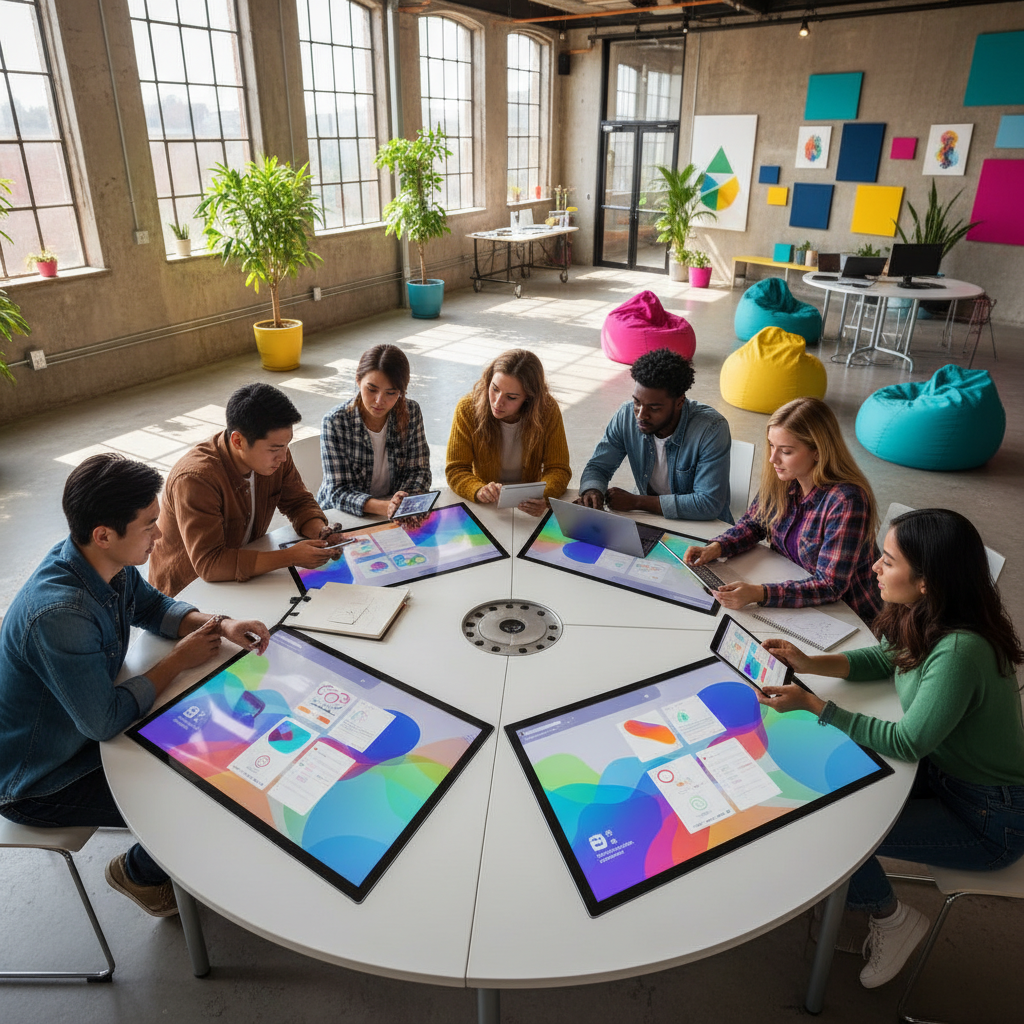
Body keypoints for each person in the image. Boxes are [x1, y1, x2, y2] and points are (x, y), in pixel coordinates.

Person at [757, 508, 1024, 989]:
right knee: (830, 788)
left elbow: (908, 740)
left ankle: (892, 919)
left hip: (990, 818)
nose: (874, 567)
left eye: (887, 559)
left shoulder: (960, 650)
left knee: (840, 829)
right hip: (943, 774)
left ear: (926, 581)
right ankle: (849, 894)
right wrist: (810, 661)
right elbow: (883, 658)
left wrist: (817, 706)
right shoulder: (928, 614)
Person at [0, 454, 271, 917]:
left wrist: (219, 624)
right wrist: (176, 663)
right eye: (149, 525)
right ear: (104, 534)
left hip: (77, 735)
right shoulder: (59, 614)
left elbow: (152, 607)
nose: (161, 536)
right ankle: (138, 873)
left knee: (221, 742)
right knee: (197, 791)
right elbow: (104, 721)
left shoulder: (102, 559)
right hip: (41, 780)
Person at [684, 396, 881, 623]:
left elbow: (830, 585)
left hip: (845, 616)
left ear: (818, 451)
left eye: (786, 451)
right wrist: (717, 547)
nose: (772, 459)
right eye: (771, 445)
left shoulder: (847, 501)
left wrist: (759, 593)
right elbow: (754, 523)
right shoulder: (785, 478)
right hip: (794, 598)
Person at [149, 382, 338, 597]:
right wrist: (290, 557)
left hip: (243, 576)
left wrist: (320, 531)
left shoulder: (275, 457)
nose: (284, 457)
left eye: (287, 445)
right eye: (275, 449)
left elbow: (298, 502)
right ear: (238, 441)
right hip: (189, 595)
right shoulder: (195, 480)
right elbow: (210, 564)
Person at [576, 347, 732, 522]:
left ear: (680, 402)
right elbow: (599, 467)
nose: (641, 414)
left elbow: (708, 504)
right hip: (651, 520)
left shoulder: (711, 429)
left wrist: (638, 502)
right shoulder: (626, 415)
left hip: (703, 528)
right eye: (637, 402)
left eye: (654, 408)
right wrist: (592, 491)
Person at [446, 349, 571, 515]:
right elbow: (456, 468)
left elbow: (558, 469)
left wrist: (543, 496)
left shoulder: (547, 411)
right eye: (495, 388)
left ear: (529, 398)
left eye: (511, 397)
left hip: (529, 506)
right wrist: (478, 489)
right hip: (487, 506)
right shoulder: (467, 409)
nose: (498, 402)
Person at [317, 344, 431, 519]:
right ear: (358, 380)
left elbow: (419, 471)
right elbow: (338, 491)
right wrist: (387, 507)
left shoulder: (411, 412)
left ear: (401, 391)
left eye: (391, 393)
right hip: (342, 515)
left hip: (394, 512)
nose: (379, 401)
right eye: (371, 389)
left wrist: (403, 501)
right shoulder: (335, 422)